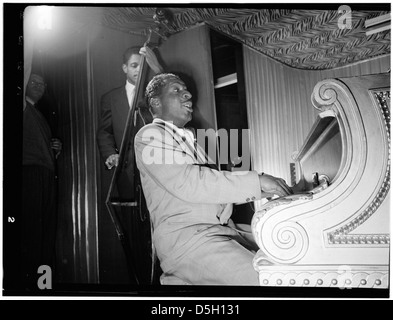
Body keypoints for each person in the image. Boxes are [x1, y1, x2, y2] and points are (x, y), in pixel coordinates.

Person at [134, 73, 293, 285]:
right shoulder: (149, 135)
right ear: (156, 102)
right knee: (270, 281)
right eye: (177, 90)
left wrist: (268, 190)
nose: (188, 94)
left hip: (216, 231)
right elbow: (192, 183)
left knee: (290, 261)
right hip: (190, 241)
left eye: (186, 90)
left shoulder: (191, 139)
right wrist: (257, 181)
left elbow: (213, 189)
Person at [21, 73, 62, 290]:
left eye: (43, 84)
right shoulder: (22, 107)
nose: (40, 87)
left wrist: (53, 148)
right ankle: (28, 287)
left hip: (46, 175)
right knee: (32, 233)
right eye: (33, 82)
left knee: (45, 233)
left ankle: (42, 287)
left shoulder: (39, 113)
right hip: (29, 174)